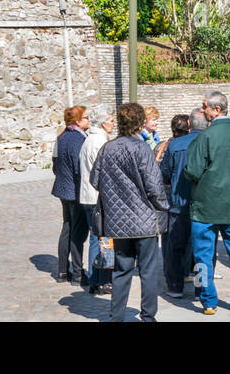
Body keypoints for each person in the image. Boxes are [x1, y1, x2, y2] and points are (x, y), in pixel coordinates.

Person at [89, 103, 169, 321]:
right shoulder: (141, 148)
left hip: (118, 220)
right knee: (148, 271)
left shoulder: (108, 148)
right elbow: (154, 186)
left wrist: (116, 191)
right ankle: (148, 316)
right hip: (144, 220)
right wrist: (164, 206)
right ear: (140, 123)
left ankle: (116, 316)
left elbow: (94, 180)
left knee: (121, 271)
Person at [185, 92, 230, 315]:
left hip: (206, 205)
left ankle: (208, 301)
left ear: (216, 110)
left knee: (202, 255)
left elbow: (192, 170)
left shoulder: (205, 137)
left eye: (205, 106)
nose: (202, 109)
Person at [159, 113, 199, 299]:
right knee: (203, 249)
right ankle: (202, 289)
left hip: (179, 202)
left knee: (176, 247)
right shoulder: (206, 141)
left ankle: (175, 286)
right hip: (201, 204)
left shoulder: (174, 145)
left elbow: (164, 173)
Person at [79, 106, 116, 295]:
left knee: (96, 238)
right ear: (103, 123)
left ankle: (96, 279)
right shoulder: (99, 141)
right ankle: (102, 279)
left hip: (88, 195)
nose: (113, 123)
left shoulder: (89, 139)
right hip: (97, 196)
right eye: (111, 120)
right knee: (103, 239)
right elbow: (104, 172)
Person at [51, 105, 90, 284]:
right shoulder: (78, 140)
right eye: (86, 117)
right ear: (77, 121)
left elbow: (54, 164)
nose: (89, 120)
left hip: (62, 188)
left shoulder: (61, 137)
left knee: (67, 227)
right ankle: (77, 273)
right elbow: (78, 168)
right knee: (77, 231)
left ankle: (62, 271)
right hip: (74, 190)